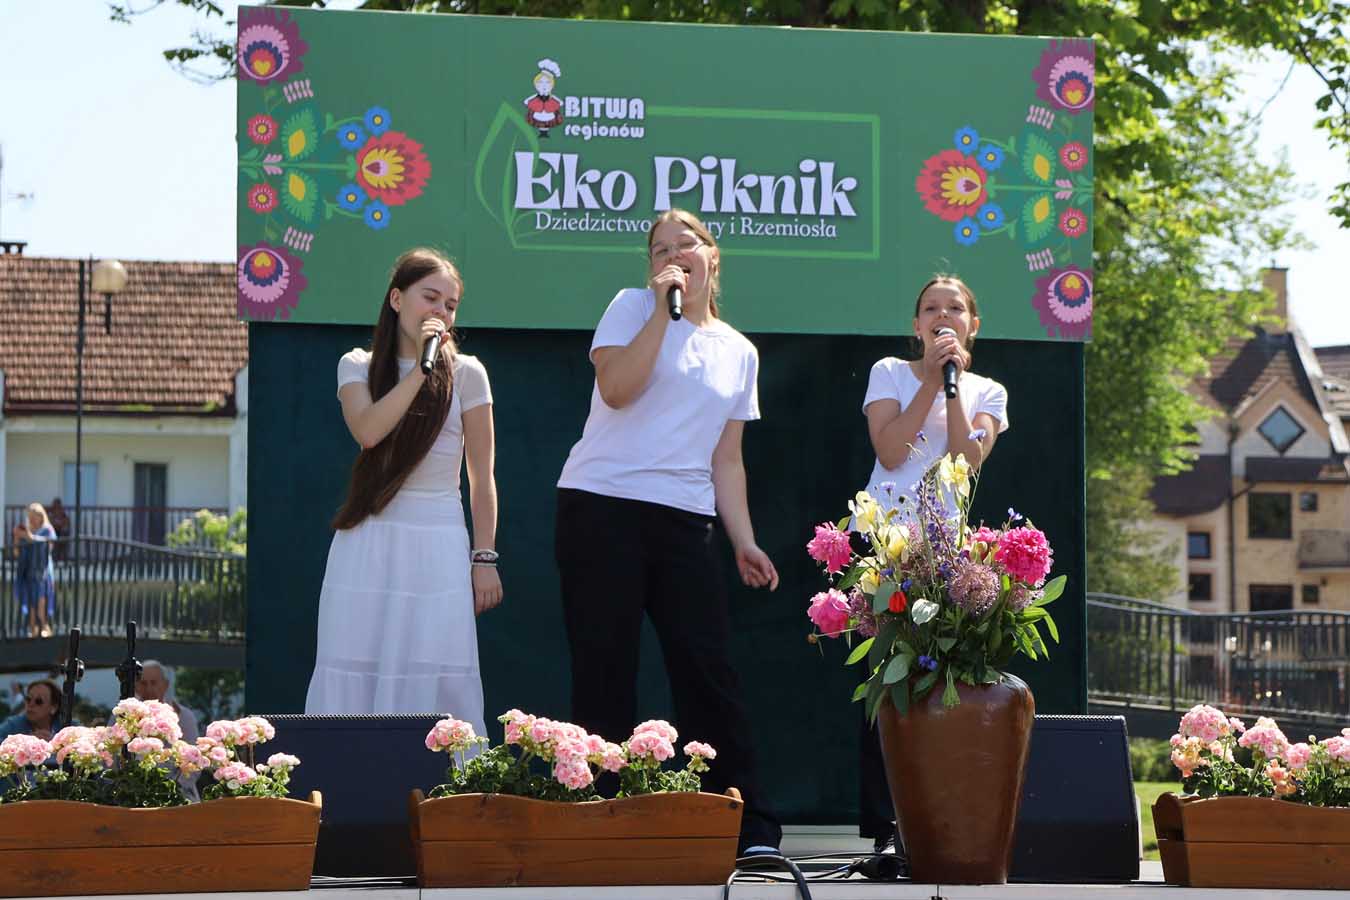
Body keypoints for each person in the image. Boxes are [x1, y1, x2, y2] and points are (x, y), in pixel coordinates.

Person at [555, 209, 782, 855]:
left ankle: (744, 825)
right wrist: (662, 312)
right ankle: (600, 823)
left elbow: (727, 458)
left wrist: (743, 539)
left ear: (714, 255)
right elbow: (616, 389)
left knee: (707, 669)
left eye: (687, 244)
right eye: (661, 249)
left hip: (686, 519)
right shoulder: (632, 307)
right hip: (601, 505)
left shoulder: (739, 351)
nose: (674, 255)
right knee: (604, 669)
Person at [305, 248, 502, 734]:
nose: (441, 312)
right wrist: (420, 372)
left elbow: (482, 476)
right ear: (397, 299)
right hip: (370, 539)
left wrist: (484, 557)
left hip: (438, 541)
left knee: (435, 667)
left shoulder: (469, 374)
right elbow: (369, 430)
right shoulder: (357, 365)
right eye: (429, 298)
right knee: (357, 659)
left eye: (450, 305)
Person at [856, 274, 1009, 855]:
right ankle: (884, 826)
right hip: (889, 544)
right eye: (931, 309)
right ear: (916, 325)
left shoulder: (988, 391)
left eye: (955, 309)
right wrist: (928, 378)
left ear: (973, 325)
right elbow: (891, 450)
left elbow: (968, 458)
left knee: (941, 677)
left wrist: (953, 387)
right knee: (885, 676)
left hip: (948, 552)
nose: (943, 316)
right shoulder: (889, 373)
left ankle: (941, 818)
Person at [136, 660, 201, 801]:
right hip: (132, 795)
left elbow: (194, 761)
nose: (149, 688)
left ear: (165, 685)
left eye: (154, 683)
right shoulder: (125, 716)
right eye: (143, 683)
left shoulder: (184, 716)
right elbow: (111, 761)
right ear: (136, 687)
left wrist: (169, 791)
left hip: (178, 797)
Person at [14, 503, 58, 638]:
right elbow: (17, 553)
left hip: (43, 572)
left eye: (34, 516)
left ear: (41, 516)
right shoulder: (29, 532)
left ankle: (45, 627)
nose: (32, 519)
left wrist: (30, 538)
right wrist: (17, 538)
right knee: (31, 604)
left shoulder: (47, 530)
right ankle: (33, 630)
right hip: (29, 572)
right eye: (30, 516)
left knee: (41, 600)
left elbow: (49, 546)